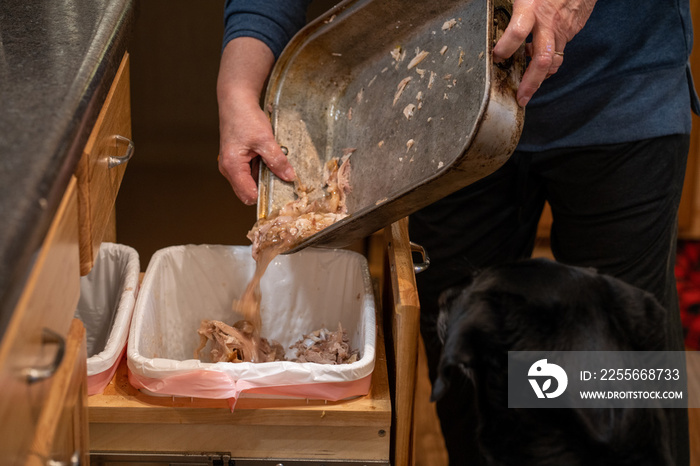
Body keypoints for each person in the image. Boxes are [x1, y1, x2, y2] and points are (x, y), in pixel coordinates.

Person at [217, 1, 698, 464]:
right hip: (442, 115)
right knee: (471, 376)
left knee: (622, 385)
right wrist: (237, 90)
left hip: (619, 93)